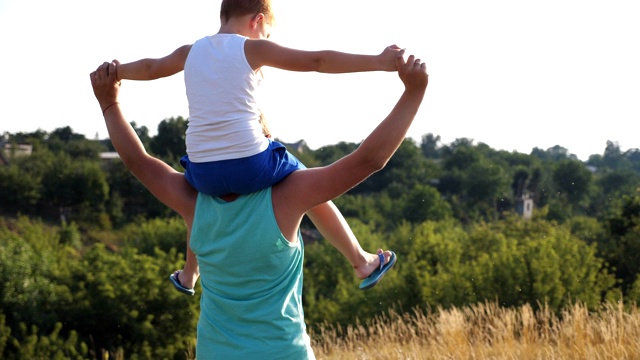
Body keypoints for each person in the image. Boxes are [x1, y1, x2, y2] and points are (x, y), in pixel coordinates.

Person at [91, 48, 427, 358]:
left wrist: (109, 103)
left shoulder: (193, 202)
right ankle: (361, 260)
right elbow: (369, 160)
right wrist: (413, 92)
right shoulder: (290, 197)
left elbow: (138, 160)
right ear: (265, 143)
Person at [114, 0, 403, 294]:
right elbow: (317, 61)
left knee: (199, 206)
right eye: (266, 33)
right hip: (249, 164)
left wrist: (115, 72)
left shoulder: (189, 53)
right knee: (307, 182)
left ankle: (190, 274)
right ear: (257, 21)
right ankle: (361, 261)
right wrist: (378, 62)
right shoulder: (251, 48)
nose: (265, 40)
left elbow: (151, 68)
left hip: (202, 174)